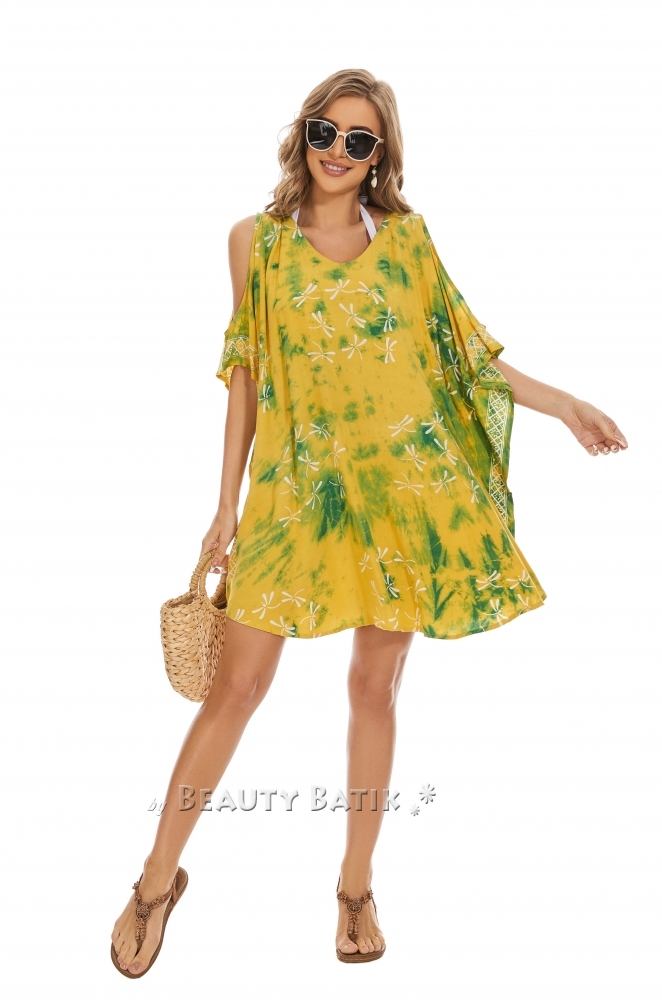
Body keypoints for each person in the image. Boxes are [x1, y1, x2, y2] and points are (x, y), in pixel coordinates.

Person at [111, 68, 627, 975]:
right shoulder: (255, 243)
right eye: (326, 131)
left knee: (372, 691)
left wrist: (562, 404)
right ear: (302, 133)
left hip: (401, 495)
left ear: (379, 154)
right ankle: (156, 880)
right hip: (294, 495)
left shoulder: (407, 241)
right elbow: (245, 379)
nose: (338, 151)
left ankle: (355, 888)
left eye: (359, 140)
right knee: (236, 689)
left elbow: (464, 351)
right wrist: (225, 505)